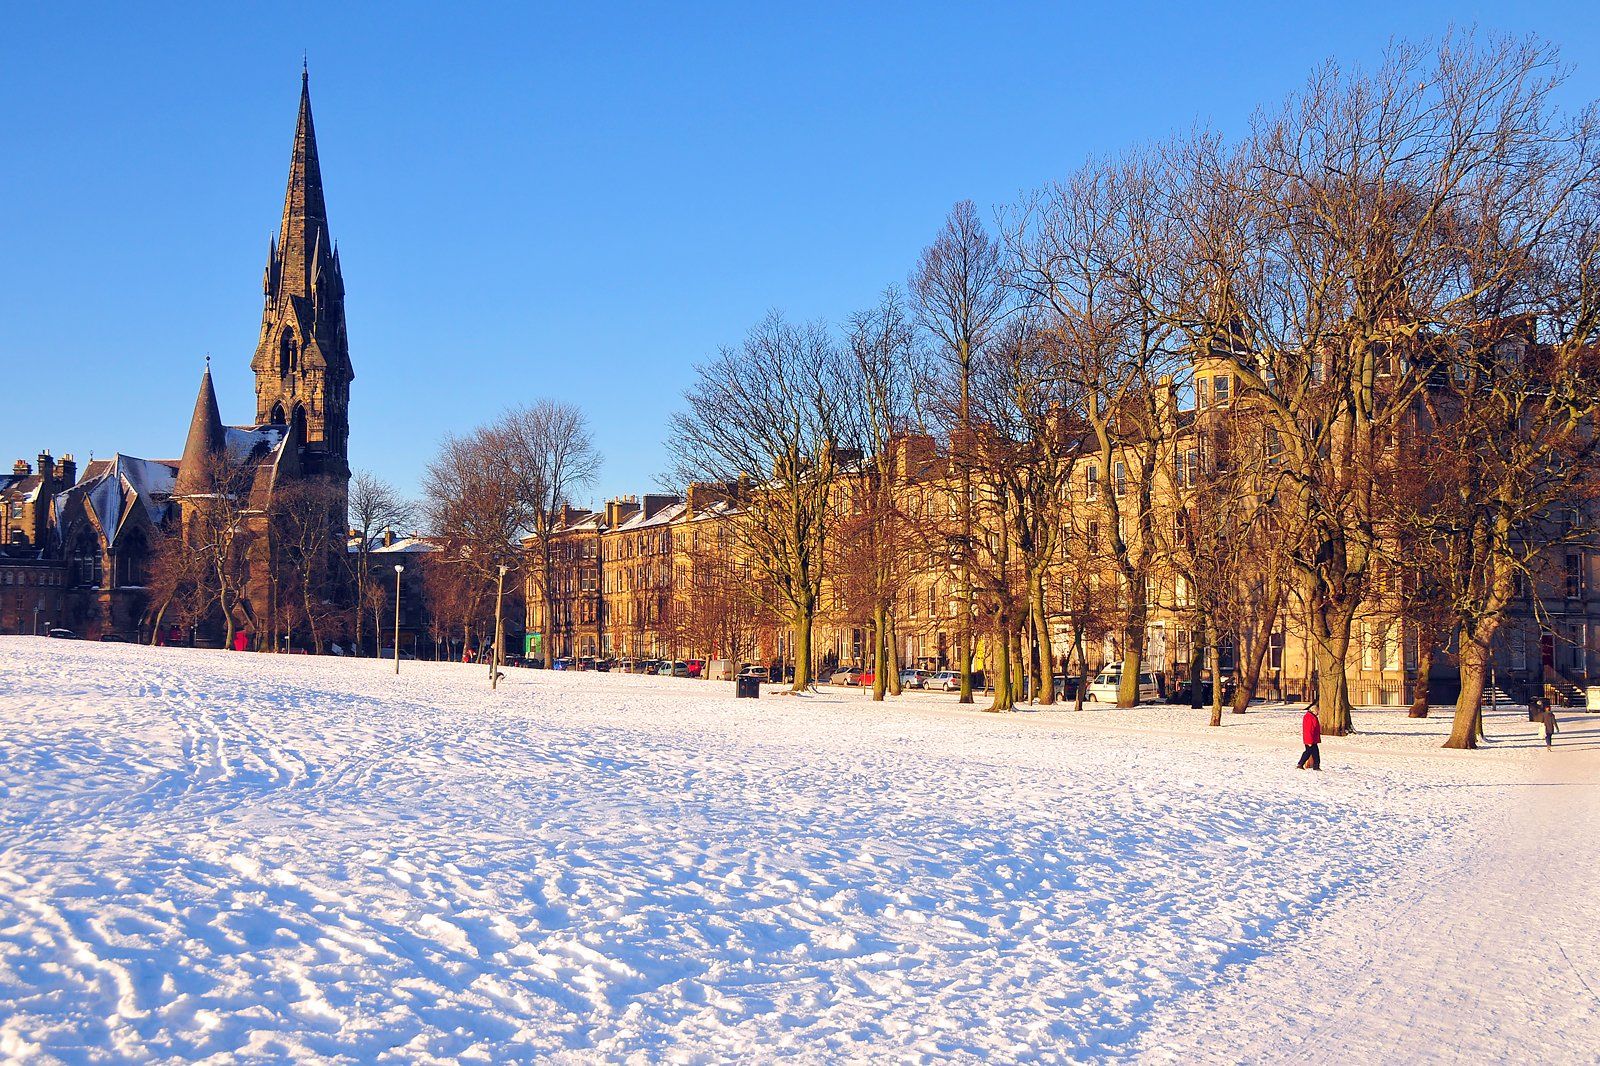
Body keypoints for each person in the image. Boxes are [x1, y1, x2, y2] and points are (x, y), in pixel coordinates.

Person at [1298, 704, 1322, 770]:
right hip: (1310, 739)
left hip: (1312, 739)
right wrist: (1309, 741)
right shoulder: (1310, 717)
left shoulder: (1311, 716)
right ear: (1314, 711)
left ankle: (1315, 766)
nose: (1318, 713)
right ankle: (1301, 764)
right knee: (1309, 752)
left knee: (1313, 753)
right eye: (1317, 712)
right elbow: (1309, 730)